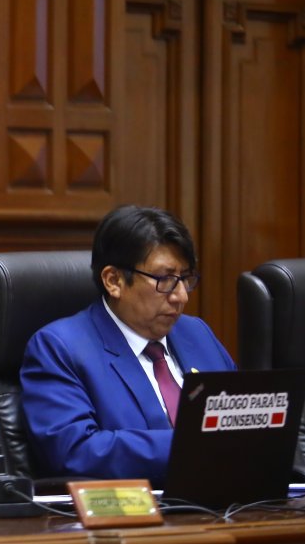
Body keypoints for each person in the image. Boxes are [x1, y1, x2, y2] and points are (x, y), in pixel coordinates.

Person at [20, 205, 235, 485]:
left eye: (185, 278)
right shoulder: (59, 348)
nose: (181, 296)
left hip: (223, 506)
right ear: (114, 281)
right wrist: (193, 445)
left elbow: (240, 425)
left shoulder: (197, 334)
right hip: (130, 517)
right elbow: (75, 450)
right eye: (166, 280)